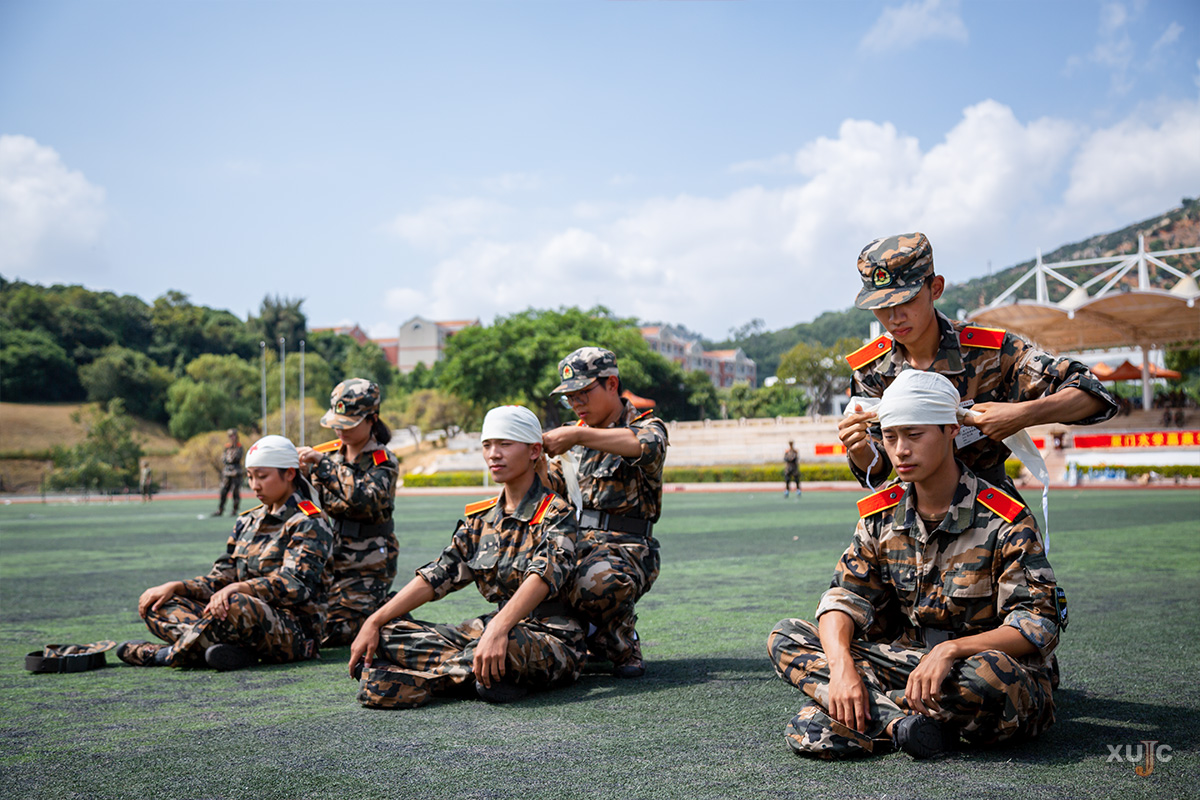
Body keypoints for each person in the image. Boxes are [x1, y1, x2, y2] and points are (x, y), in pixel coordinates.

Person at [768, 370, 1063, 759]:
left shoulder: (1004, 518)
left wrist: (951, 651)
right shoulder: (880, 517)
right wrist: (841, 668)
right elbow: (843, 598)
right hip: (906, 664)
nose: (901, 450)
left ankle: (868, 713)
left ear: (950, 431)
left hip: (974, 670)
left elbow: (1038, 622)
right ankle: (902, 725)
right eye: (890, 438)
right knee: (787, 636)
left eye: (914, 435)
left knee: (990, 677)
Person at [838, 232, 1117, 493]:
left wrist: (1021, 415)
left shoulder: (991, 352)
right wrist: (860, 448)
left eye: (906, 300)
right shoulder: (871, 369)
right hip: (915, 514)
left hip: (989, 515)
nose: (894, 316)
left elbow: (1094, 396)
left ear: (935, 288)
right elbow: (877, 470)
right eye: (881, 306)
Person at [349, 405, 582, 709]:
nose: (493, 454)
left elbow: (542, 577)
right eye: (487, 445)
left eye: (505, 444)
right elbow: (438, 574)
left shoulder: (556, 514)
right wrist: (374, 620)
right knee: (388, 633)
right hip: (490, 630)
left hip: (549, 636)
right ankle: (484, 674)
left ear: (534, 450)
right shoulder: (481, 519)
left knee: (508, 645)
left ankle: (428, 680)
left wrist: (498, 629)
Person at [118, 435, 335, 671]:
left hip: (293, 632)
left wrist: (241, 588)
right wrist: (178, 586)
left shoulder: (309, 521)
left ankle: (165, 655)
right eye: (250, 477)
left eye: (262, 476)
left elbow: (296, 585)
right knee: (158, 603)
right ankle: (231, 651)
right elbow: (221, 578)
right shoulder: (247, 521)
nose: (255, 485)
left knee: (235, 603)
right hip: (235, 617)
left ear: (290, 473)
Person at [541, 347, 668, 679]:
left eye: (583, 392)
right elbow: (551, 484)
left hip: (627, 548)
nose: (577, 403)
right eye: (570, 397)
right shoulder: (574, 436)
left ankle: (621, 639)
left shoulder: (645, 424)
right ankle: (575, 639)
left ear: (611, 383)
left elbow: (645, 446)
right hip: (577, 543)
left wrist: (579, 434)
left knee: (596, 581)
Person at [297, 379, 400, 647]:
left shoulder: (383, 461)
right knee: (307, 615)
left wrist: (321, 466)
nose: (339, 430)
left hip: (369, 562)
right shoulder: (329, 456)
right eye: (337, 423)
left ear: (372, 420)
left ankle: (390, 611)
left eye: (348, 424)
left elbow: (365, 498)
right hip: (332, 556)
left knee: (335, 630)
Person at [213, 429, 245, 516]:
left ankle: (234, 510)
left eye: (233, 435)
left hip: (236, 471)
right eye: (230, 436)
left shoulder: (239, 446)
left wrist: (230, 459)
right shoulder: (227, 447)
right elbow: (224, 458)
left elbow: (236, 457)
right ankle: (220, 509)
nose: (232, 438)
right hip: (227, 472)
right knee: (223, 491)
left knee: (235, 491)